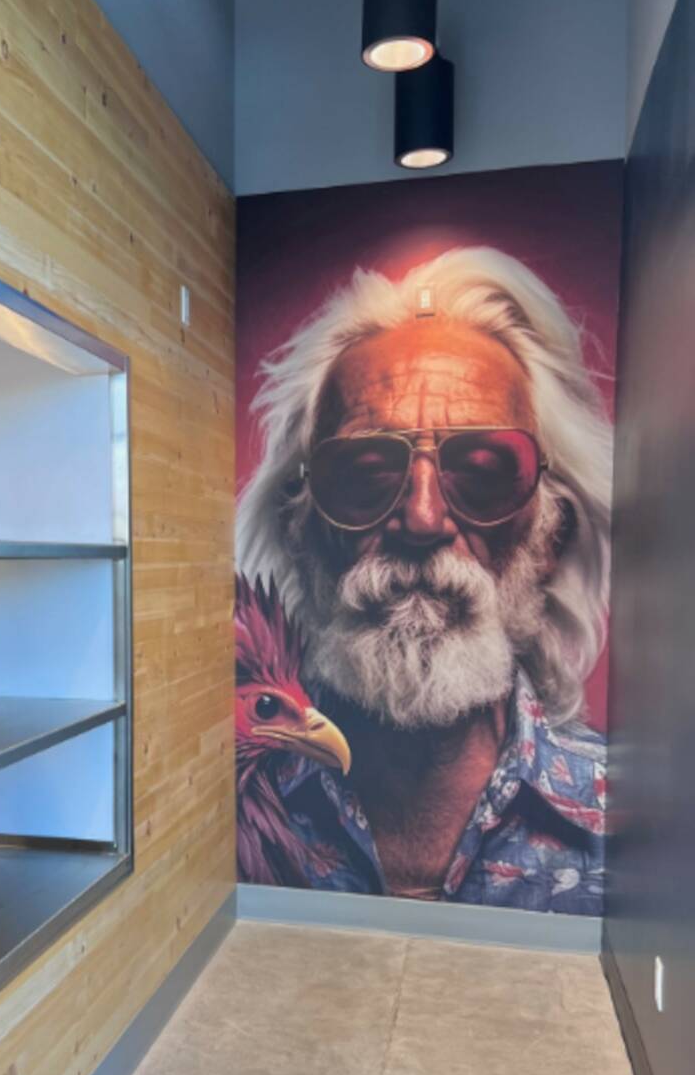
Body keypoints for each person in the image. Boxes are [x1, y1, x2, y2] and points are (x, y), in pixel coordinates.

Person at [236, 247, 612, 913]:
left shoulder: (634, 826)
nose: (423, 519)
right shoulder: (227, 811)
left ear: (551, 535)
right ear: (301, 530)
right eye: (364, 473)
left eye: (486, 472)